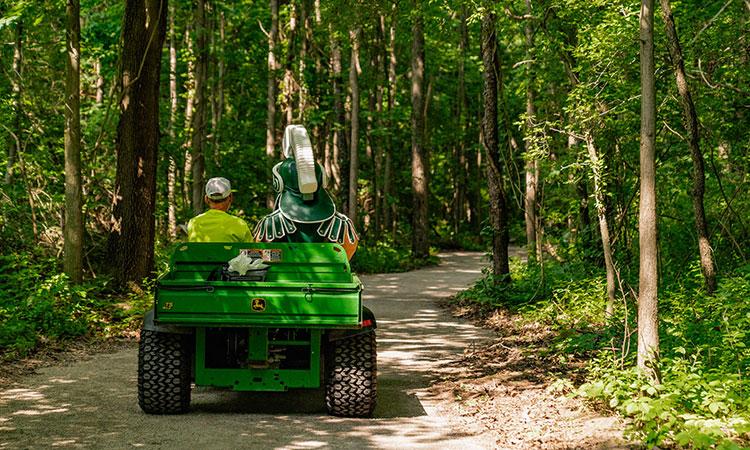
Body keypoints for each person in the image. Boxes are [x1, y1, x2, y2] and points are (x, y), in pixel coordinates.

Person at [254, 125, 359, 259]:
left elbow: (257, 256)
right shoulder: (342, 225)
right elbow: (345, 258)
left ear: (279, 183)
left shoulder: (269, 225)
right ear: (322, 178)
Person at [187, 177, 253, 242]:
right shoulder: (239, 224)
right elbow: (251, 251)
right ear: (230, 197)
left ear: (206, 199)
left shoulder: (193, 223)